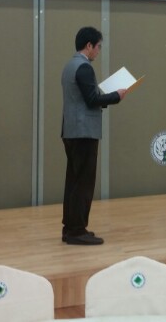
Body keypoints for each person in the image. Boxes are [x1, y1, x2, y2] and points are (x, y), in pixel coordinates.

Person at [60, 27, 126, 246]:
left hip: (71, 130)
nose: (98, 51)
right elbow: (91, 99)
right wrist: (116, 96)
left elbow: (84, 98)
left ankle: (70, 227)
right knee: (83, 183)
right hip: (84, 132)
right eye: (98, 46)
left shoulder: (70, 66)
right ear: (89, 45)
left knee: (74, 182)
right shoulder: (84, 67)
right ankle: (77, 231)